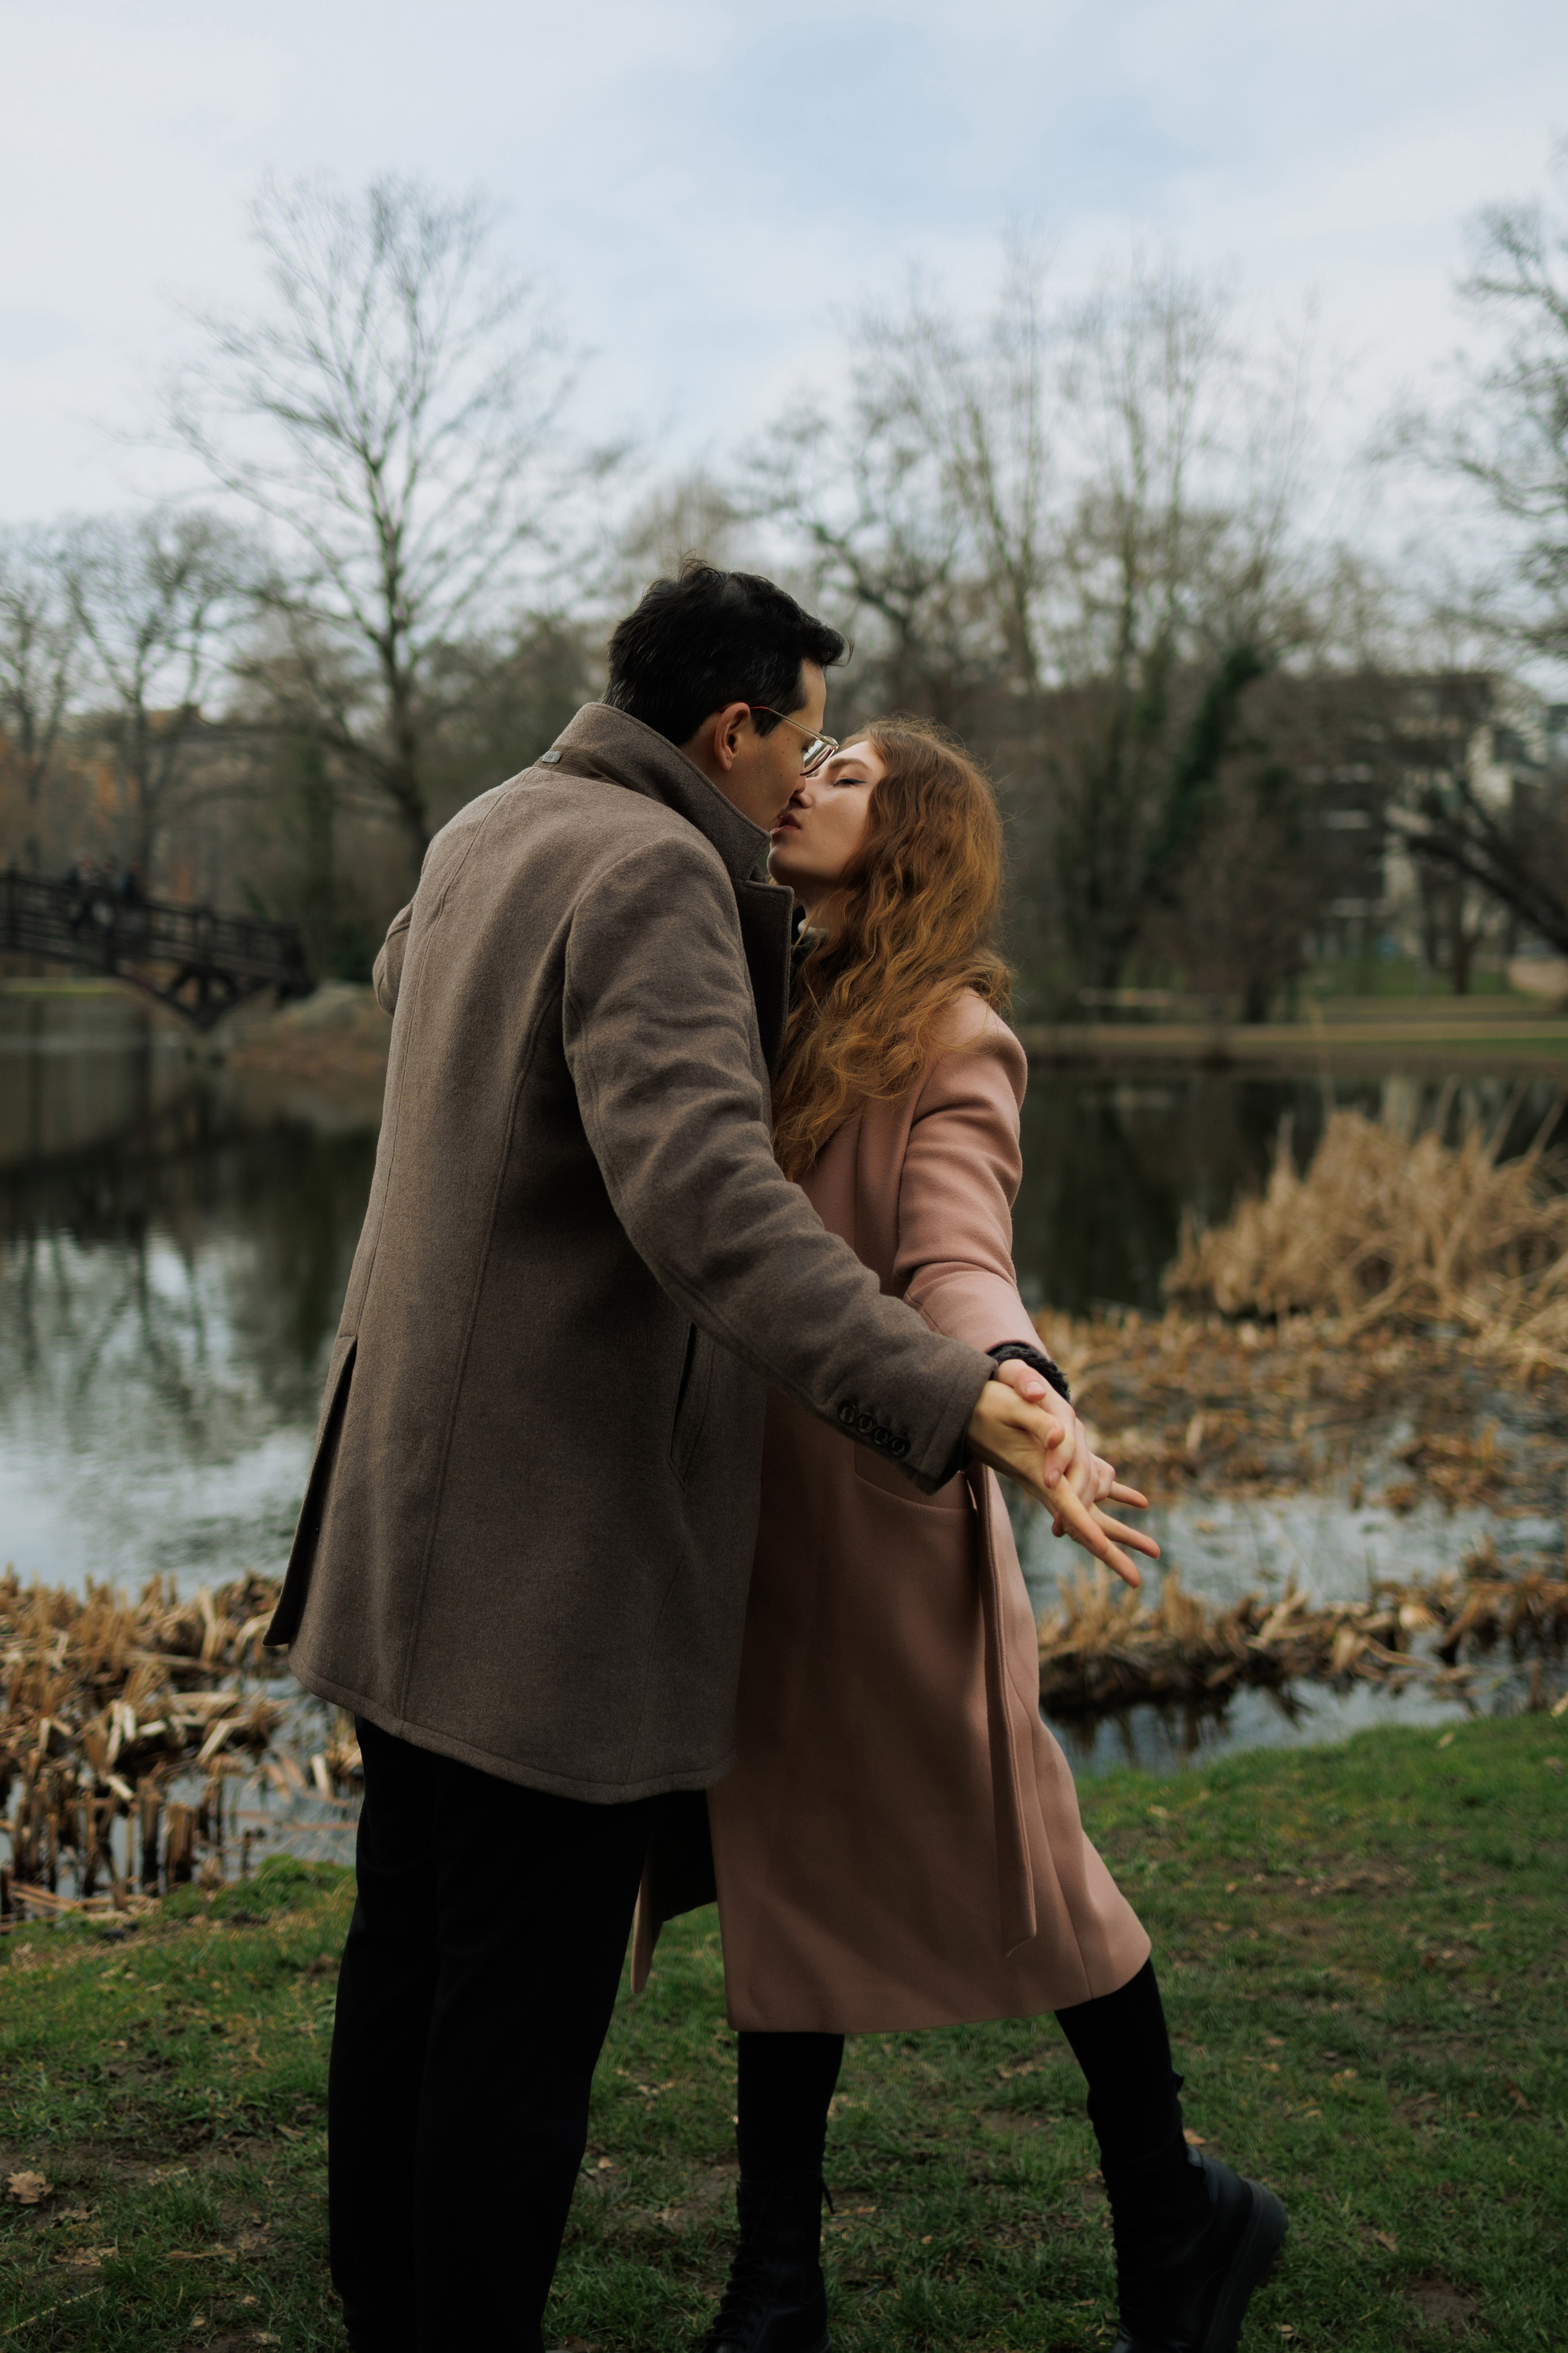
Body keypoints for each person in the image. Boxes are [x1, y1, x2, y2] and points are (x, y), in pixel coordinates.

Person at [263, 565, 1142, 2353]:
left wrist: (994, 1343)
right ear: (731, 731)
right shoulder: (663, 871)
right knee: (510, 2013)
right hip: (543, 1567)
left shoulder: (495, 822)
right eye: (806, 736)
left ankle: (391, 2310)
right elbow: (704, 1201)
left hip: (400, 1516)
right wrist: (943, 1392)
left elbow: (414, 984)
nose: (810, 773)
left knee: (410, 1955)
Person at [663, 717, 1286, 2353]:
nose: (808, 780)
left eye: (851, 774)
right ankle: (778, 2283)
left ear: (917, 840)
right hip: (750, 1531)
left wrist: (1011, 1381)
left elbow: (957, 1248)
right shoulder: (756, 992)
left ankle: (1175, 2217)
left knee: (1050, 1887)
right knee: (786, 1884)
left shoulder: (956, 1036)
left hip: (883, 1527)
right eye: (811, 758)